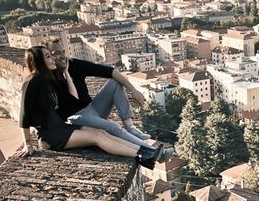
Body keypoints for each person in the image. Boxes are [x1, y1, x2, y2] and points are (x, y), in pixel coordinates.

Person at [19, 46, 163, 169]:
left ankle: (145, 152)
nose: (53, 59)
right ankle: (143, 155)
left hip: (61, 127)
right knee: (97, 137)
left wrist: (67, 73)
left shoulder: (47, 79)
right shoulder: (32, 82)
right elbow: (24, 115)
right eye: (48, 56)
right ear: (39, 61)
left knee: (101, 132)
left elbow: (72, 96)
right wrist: (28, 144)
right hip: (51, 135)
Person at [44, 38, 153, 146]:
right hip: (77, 118)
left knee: (114, 83)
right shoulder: (46, 78)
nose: (63, 56)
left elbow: (111, 71)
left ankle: (130, 127)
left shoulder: (72, 63)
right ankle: (149, 150)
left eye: (63, 52)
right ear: (47, 57)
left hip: (93, 108)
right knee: (113, 126)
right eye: (57, 53)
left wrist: (133, 91)